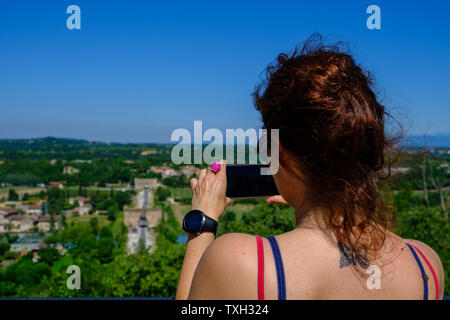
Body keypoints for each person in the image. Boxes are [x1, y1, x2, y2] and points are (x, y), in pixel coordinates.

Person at [175, 35, 445, 300]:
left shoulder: (244, 265)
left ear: (282, 154)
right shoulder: (426, 266)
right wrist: (309, 200)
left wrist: (202, 222)